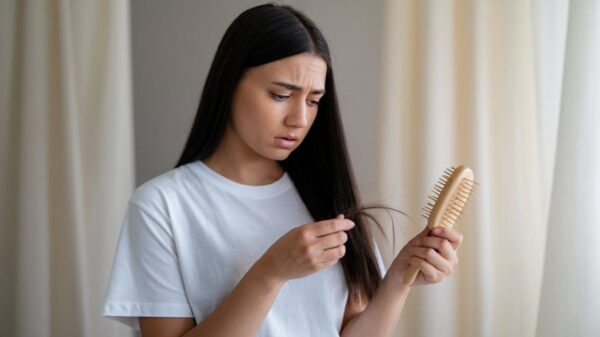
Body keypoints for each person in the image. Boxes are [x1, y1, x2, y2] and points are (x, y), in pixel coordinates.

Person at [102, 3, 463, 337]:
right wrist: (272, 272)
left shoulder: (328, 197)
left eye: (313, 100)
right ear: (229, 84)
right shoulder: (162, 206)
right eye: (280, 95)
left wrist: (398, 280)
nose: (300, 119)